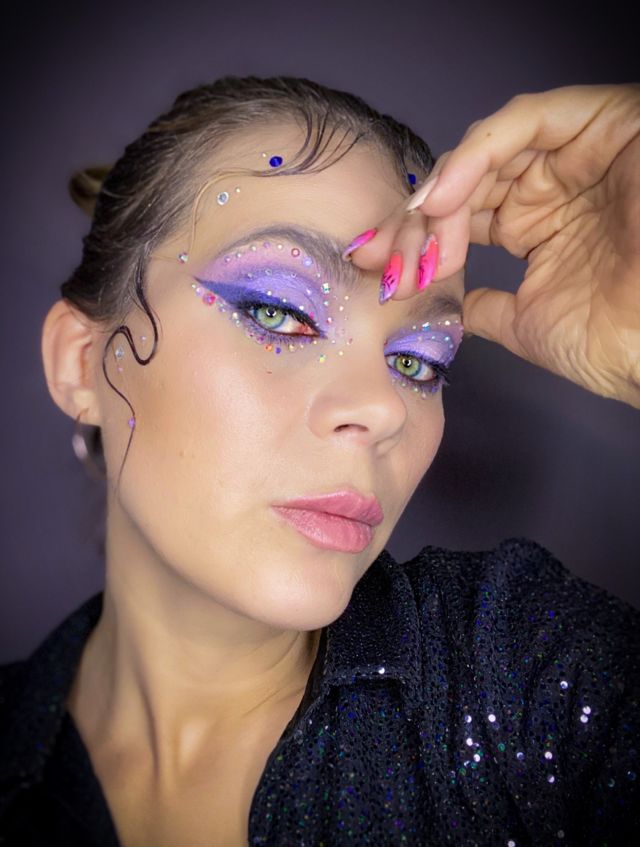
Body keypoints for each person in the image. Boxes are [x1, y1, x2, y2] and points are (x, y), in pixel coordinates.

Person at [0, 76, 638, 846]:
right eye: (280, 312)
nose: (382, 407)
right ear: (80, 362)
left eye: (419, 361)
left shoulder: (524, 672)